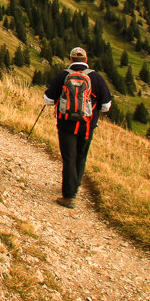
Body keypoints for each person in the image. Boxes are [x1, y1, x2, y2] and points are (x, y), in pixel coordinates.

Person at [44, 46, 112, 208]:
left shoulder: (63, 75)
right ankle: (74, 186)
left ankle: (68, 195)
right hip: (87, 125)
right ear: (86, 60)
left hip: (65, 124)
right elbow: (106, 105)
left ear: (71, 60)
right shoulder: (96, 78)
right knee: (81, 156)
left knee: (68, 157)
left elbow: (48, 99)